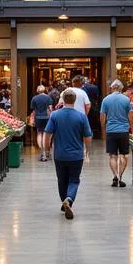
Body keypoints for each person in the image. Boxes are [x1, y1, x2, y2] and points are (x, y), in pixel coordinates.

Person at [44, 89, 92, 219]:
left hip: (59, 154)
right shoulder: (81, 116)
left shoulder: (55, 115)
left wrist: (47, 148)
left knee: (61, 180)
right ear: (75, 100)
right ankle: (69, 199)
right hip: (76, 155)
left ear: (63, 100)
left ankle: (64, 200)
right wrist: (87, 151)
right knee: (74, 180)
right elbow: (87, 136)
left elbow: (48, 134)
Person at [100, 79, 133, 188]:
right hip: (123, 130)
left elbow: (102, 117)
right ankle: (120, 177)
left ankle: (115, 175)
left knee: (112, 156)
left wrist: (103, 129)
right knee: (124, 155)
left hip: (111, 130)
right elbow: (131, 115)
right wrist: (132, 128)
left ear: (111, 88)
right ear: (121, 88)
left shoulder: (106, 100)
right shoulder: (126, 99)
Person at [29, 84, 54, 161]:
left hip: (38, 118)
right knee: (46, 135)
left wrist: (32, 120)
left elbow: (33, 111)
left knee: (39, 133)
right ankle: (47, 151)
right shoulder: (48, 97)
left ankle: (42, 152)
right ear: (44, 90)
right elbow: (50, 109)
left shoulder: (34, 98)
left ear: (37, 90)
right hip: (46, 118)